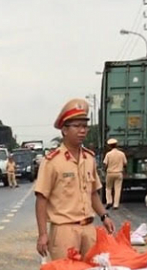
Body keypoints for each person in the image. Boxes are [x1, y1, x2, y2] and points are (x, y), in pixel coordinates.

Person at [35, 98, 115, 260]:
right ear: (64, 130)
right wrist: (42, 234)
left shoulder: (89, 158)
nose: (82, 131)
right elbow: (41, 199)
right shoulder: (52, 161)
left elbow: (93, 193)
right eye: (77, 126)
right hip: (64, 230)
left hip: (88, 229)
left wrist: (104, 216)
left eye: (84, 126)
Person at [102, 138, 127, 210]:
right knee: (117, 189)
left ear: (109, 146)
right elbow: (125, 163)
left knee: (108, 188)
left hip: (110, 173)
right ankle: (116, 205)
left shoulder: (108, 154)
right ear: (116, 145)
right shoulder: (121, 154)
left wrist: (105, 170)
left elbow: (105, 164)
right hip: (119, 173)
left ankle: (109, 201)